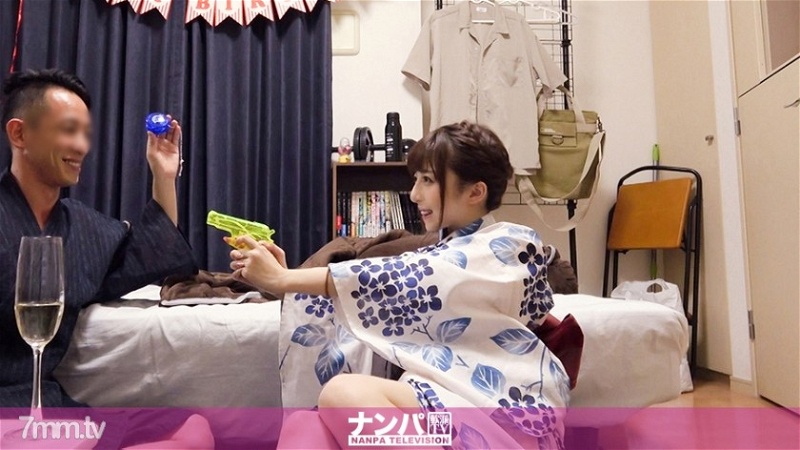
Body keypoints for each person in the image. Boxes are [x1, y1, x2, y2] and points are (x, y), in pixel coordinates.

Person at [230, 121, 571, 449]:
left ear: (475, 192)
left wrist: (284, 278)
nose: (414, 194)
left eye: (428, 180)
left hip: (502, 409)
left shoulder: (511, 244)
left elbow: (399, 277)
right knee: (305, 424)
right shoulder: (441, 250)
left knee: (342, 394)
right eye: (416, 179)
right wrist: (285, 277)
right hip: (448, 400)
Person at [0, 69, 212, 448]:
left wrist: (163, 175)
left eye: (86, 133)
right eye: (68, 130)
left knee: (193, 431)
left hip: (48, 404)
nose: (82, 146)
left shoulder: (83, 227)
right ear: (19, 134)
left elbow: (152, 251)